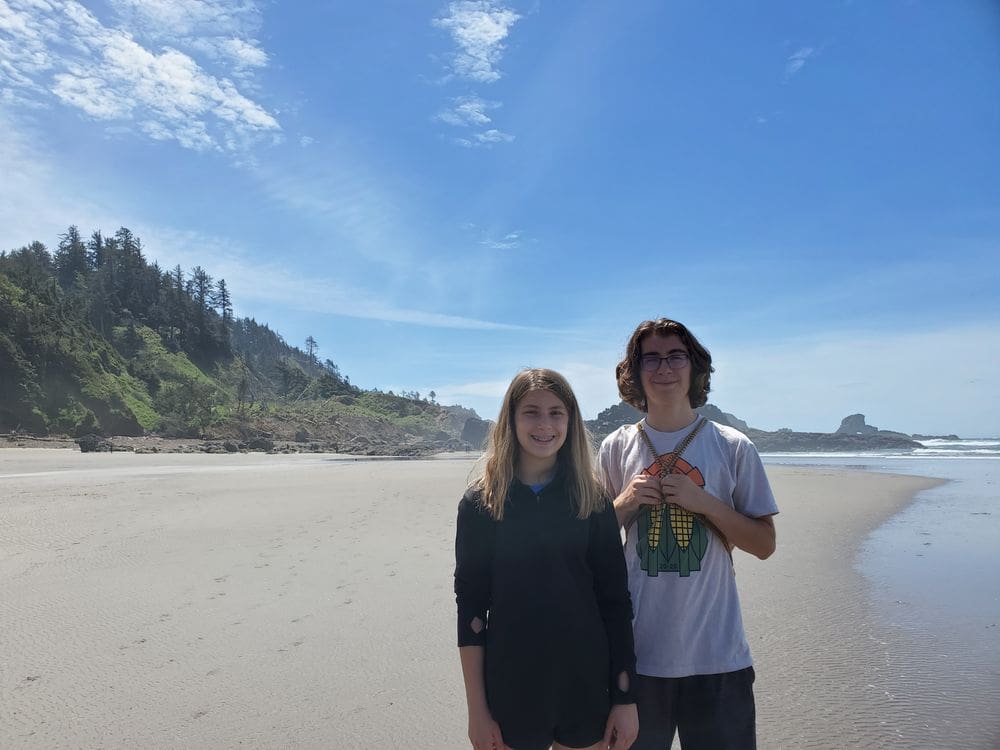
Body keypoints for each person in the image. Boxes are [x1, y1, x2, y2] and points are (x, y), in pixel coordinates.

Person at [596, 319, 778, 750]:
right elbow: (592, 546)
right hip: (638, 658)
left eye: (676, 356)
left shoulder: (732, 446)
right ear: (634, 372)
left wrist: (705, 503)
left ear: (695, 367)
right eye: (650, 358)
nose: (664, 368)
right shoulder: (615, 446)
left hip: (718, 656)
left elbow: (765, 544)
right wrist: (625, 502)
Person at [455, 368, 640, 750]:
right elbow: (471, 612)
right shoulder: (480, 505)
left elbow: (616, 603)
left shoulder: (592, 501)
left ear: (570, 422)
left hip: (585, 684)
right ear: (511, 419)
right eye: (531, 412)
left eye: (556, 412)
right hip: (511, 688)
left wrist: (625, 698)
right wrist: (477, 710)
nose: (545, 424)